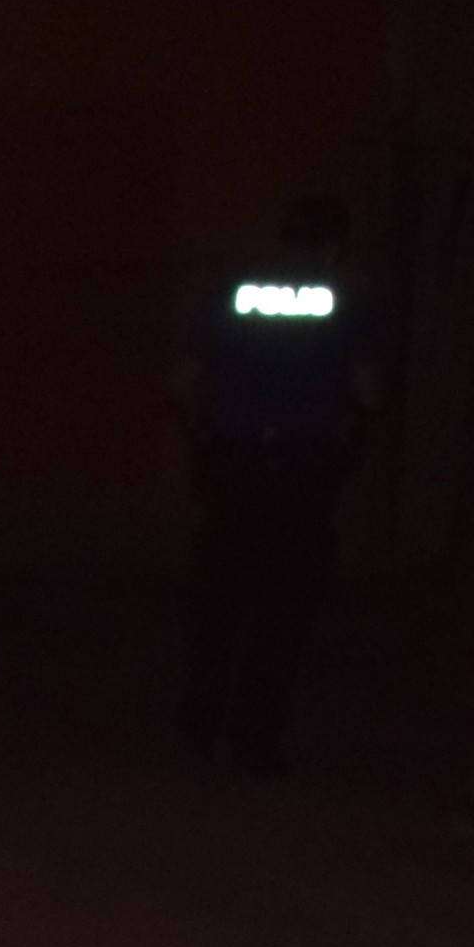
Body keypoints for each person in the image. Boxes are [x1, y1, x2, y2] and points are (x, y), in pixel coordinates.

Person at [181, 197, 375, 772]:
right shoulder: (345, 303)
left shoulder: (232, 293)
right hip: (303, 468)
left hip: (234, 462)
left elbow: (186, 380)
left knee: (222, 595)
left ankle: (200, 721)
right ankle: (255, 735)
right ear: (334, 247)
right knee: (284, 605)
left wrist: (206, 439)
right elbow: (368, 391)